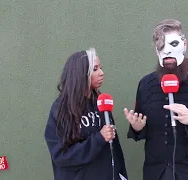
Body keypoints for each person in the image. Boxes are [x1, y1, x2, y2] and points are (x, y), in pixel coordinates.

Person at [124, 19, 188, 180]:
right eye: (161, 46)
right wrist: (137, 128)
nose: (167, 52)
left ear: (184, 45)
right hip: (156, 173)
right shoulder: (146, 85)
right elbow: (142, 128)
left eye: (173, 44)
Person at [44, 48, 128, 180]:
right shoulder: (61, 109)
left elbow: (114, 149)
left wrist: (121, 175)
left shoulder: (101, 103)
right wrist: (99, 138)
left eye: (100, 68)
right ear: (80, 74)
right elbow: (61, 156)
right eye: (95, 69)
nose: (101, 73)